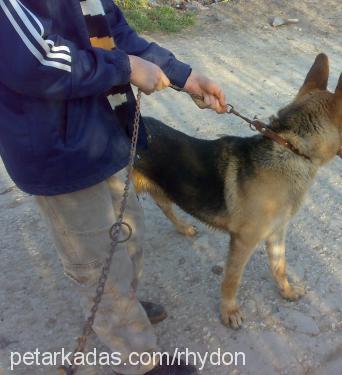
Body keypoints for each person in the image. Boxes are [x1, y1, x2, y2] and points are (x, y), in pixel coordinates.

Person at [0, 0, 226, 374]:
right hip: (57, 153)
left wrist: (184, 77)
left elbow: (113, 33)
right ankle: (137, 357)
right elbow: (37, 61)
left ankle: (124, 309)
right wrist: (126, 67)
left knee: (128, 238)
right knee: (96, 264)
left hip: (106, 134)